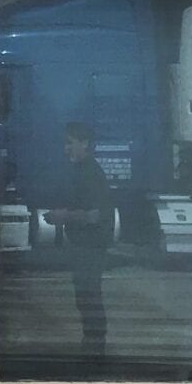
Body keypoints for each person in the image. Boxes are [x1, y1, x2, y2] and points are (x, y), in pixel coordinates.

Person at [47, 121, 114, 359]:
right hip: (85, 245)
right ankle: (92, 344)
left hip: (91, 246)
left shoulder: (91, 173)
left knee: (89, 295)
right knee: (85, 296)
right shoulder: (83, 171)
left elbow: (95, 215)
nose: (66, 149)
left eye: (70, 143)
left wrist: (63, 216)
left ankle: (95, 348)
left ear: (84, 143)